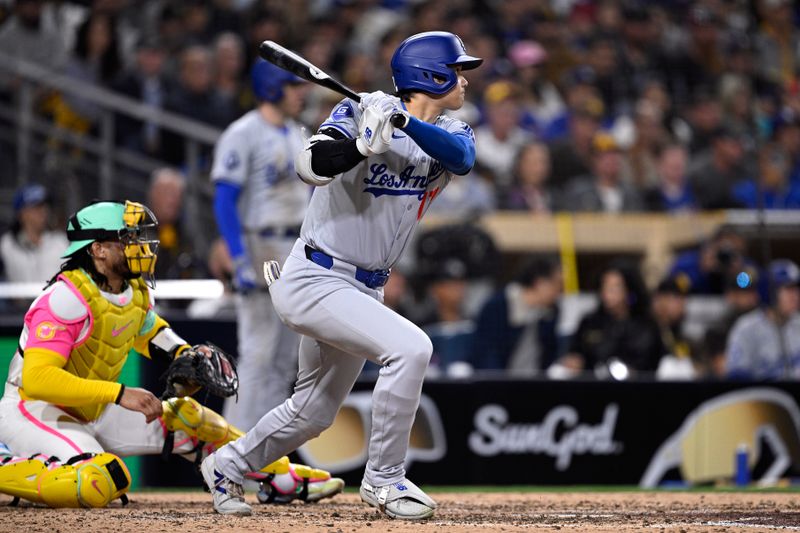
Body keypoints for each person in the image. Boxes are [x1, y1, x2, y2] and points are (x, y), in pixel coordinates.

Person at [202, 31, 482, 520]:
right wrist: (360, 145)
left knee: (312, 412)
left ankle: (227, 465)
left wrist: (404, 124)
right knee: (412, 349)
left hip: (363, 289)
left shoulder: (454, 131)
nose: (463, 79)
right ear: (429, 75)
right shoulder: (357, 112)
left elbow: (461, 158)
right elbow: (309, 166)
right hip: (315, 277)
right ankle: (385, 480)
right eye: (455, 70)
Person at [0, 200, 342, 510]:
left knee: (192, 419)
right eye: (127, 239)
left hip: (93, 409)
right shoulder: (65, 297)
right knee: (97, 482)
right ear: (99, 250)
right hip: (33, 410)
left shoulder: (132, 291)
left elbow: (151, 333)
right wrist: (120, 394)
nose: (140, 247)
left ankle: (278, 476)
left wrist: (188, 355)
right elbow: (38, 379)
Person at [211, 59, 309, 433]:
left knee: (286, 359)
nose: (300, 93)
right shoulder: (243, 132)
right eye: (292, 86)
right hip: (261, 242)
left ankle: (261, 454)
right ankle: (230, 447)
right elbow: (224, 199)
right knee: (259, 352)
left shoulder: (299, 132)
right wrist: (238, 258)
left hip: (295, 244)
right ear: (271, 87)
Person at [548, 262, 664, 379]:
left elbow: (650, 361)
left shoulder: (646, 325)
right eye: (605, 286)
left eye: (615, 287)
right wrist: (574, 361)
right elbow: (576, 353)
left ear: (628, 289)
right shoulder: (590, 322)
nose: (608, 293)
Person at [470, 257, 562, 376]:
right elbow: (486, 354)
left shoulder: (551, 312)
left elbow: (550, 355)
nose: (559, 291)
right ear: (540, 283)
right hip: (500, 384)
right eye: (558, 284)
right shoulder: (498, 306)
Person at [726, 259, 800, 380]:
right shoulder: (746, 328)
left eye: (796, 289)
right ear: (769, 292)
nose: (796, 296)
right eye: (788, 289)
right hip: (762, 397)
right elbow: (737, 377)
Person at [0, 183, 68, 284]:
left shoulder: (60, 241)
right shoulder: (7, 244)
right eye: (36, 207)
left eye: (45, 206)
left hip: (57, 298)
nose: (43, 211)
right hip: (19, 299)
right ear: (22, 213)